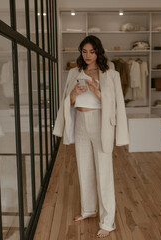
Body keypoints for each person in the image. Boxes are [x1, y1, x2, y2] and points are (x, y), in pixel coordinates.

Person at [53, 35, 129, 238]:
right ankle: (89, 210)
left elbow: (115, 104)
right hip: (80, 123)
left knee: (104, 172)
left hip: (99, 124)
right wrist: (74, 95)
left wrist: (97, 92)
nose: (88, 56)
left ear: (98, 52)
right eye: (84, 51)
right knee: (84, 168)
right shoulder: (73, 73)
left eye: (92, 52)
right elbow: (66, 101)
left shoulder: (109, 74)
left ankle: (108, 221)